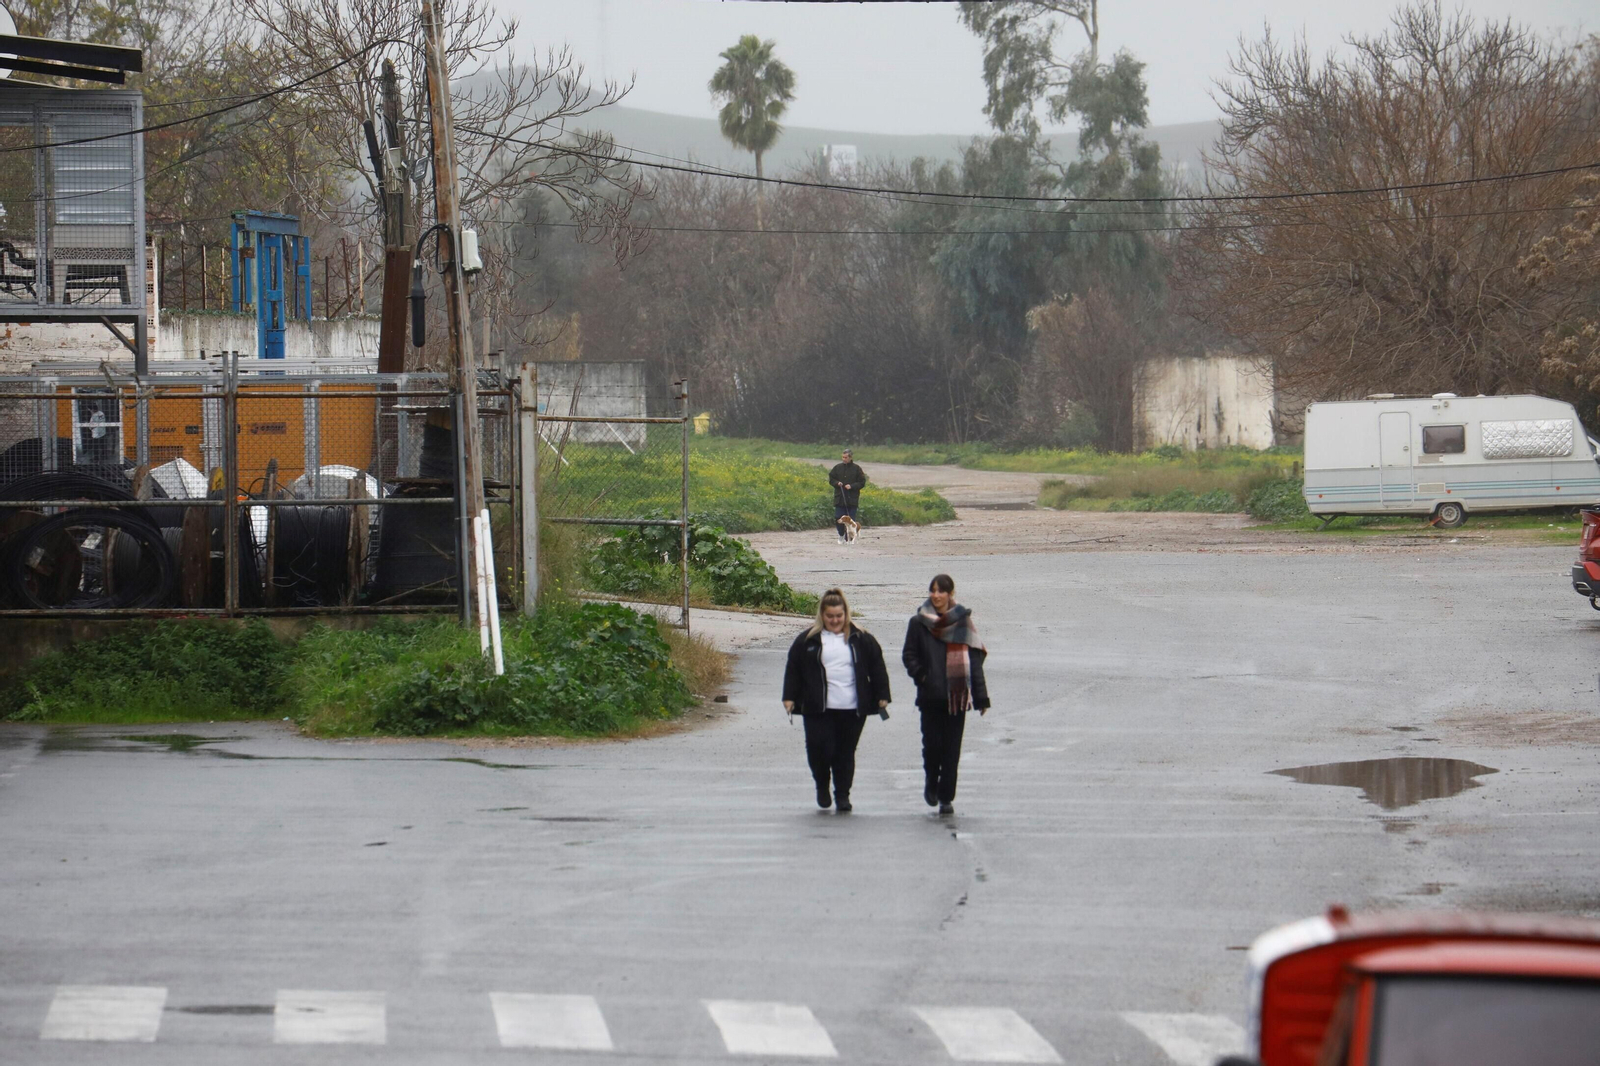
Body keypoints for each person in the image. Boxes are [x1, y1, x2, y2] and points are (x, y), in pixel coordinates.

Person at [781, 588, 891, 813]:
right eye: (830, 616)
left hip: (852, 707)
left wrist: (882, 696)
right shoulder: (808, 640)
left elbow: (877, 667)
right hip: (817, 707)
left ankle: (842, 795)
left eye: (839, 616)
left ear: (846, 614)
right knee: (818, 749)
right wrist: (789, 697)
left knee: (844, 752)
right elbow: (793, 668)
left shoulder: (862, 639)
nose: (834, 620)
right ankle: (822, 785)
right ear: (822, 615)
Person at [901, 573, 989, 815]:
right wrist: (923, 677)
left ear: (951, 594)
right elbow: (909, 655)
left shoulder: (963, 622)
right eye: (933, 590)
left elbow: (974, 662)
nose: (936, 595)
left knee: (951, 751)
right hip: (930, 697)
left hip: (957, 698)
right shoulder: (918, 623)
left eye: (941, 591)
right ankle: (931, 782)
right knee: (932, 747)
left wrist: (981, 698)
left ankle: (946, 797)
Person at [828, 449, 867, 543]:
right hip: (840, 497)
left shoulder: (857, 468)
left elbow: (862, 482)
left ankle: (849, 538)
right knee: (838, 517)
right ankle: (841, 535)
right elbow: (831, 479)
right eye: (843, 457)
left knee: (851, 520)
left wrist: (852, 486)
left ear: (850, 458)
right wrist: (837, 483)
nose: (844, 459)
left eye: (846, 457)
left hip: (852, 499)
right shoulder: (837, 467)